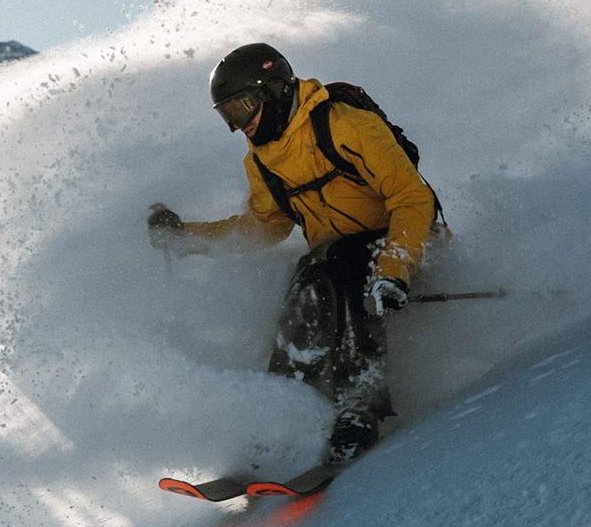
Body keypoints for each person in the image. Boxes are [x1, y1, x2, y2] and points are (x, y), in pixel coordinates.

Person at [147, 42, 440, 465]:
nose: (239, 125)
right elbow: (263, 227)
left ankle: (359, 406)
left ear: (274, 91)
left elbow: (412, 197)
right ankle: (278, 419)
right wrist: (184, 236)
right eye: (228, 116)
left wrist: (395, 269)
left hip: (405, 249)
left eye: (243, 108)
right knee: (308, 274)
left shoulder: (346, 126)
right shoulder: (263, 160)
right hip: (339, 264)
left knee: (338, 259)